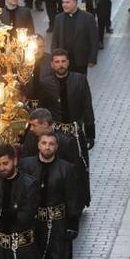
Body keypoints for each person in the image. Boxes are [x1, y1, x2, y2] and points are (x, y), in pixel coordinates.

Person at [19, 131, 80, 259]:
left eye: (51, 144)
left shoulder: (66, 169)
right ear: (38, 145)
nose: (47, 147)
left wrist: (72, 225)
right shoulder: (26, 165)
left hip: (56, 225)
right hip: (34, 225)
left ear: (56, 147)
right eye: (44, 143)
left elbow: (72, 198)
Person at [38, 49, 95, 207]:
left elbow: (87, 106)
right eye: (57, 62)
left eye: (63, 61)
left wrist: (91, 134)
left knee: (79, 167)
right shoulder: (46, 83)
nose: (60, 65)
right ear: (52, 64)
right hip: (55, 135)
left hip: (75, 134)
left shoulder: (80, 80)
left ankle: (80, 201)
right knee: (57, 168)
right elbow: (43, 109)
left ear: (68, 63)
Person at [51, 0, 98, 74]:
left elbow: (93, 40)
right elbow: (55, 39)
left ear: (75, 2)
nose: (64, 5)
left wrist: (92, 59)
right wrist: (53, 58)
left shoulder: (88, 18)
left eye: (67, 2)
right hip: (63, 62)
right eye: (63, 2)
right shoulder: (59, 18)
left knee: (79, 84)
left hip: (80, 61)